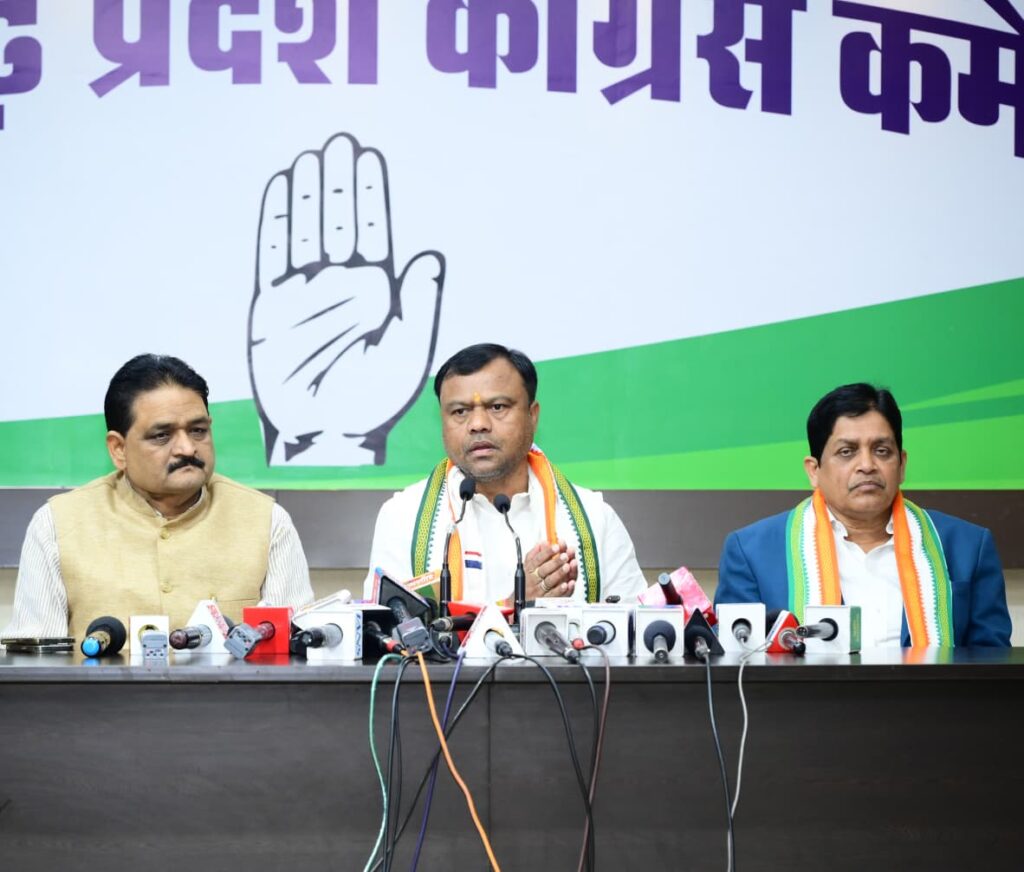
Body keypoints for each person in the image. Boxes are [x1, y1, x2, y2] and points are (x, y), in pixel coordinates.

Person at [3, 354, 314, 640]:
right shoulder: (57, 525)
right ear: (118, 449)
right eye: (162, 435)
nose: (187, 448)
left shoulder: (267, 521)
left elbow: (301, 651)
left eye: (198, 430)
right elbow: (36, 662)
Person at [715, 383, 1011, 647]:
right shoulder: (751, 553)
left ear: (902, 465)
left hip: (932, 695)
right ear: (814, 470)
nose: (867, 465)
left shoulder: (968, 546)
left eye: (882, 450)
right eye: (847, 452)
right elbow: (737, 668)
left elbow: (993, 671)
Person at [364, 343, 647, 605]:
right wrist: (515, 606)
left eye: (497, 407)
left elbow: (635, 630)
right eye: (460, 411)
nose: (478, 424)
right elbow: (386, 633)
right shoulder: (402, 517)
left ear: (532, 415)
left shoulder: (596, 520)